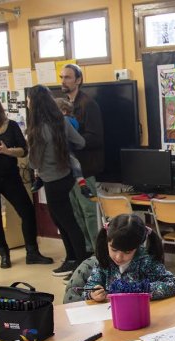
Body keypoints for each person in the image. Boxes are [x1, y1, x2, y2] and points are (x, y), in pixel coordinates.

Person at [0, 91, 53, 269]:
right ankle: (3, 253)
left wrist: (7, 151)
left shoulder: (11, 125)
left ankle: (32, 251)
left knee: (27, 211)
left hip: (10, 176)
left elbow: (23, 150)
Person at [25, 85, 88, 277]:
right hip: (66, 177)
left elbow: (34, 161)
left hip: (52, 180)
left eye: (28, 100)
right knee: (65, 220)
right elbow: (81, 142)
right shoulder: (61, 121)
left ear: (34, 103)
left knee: (65, 222)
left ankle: (79, 263)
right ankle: (72, 259)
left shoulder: (37, 129)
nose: (27, 103)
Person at [83, 213, 175, 302]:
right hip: (112, 314)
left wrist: (140, 289)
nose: (118, 257)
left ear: (137, 247)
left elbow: (173, 285)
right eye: (114, 250)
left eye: (127, 252)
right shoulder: (104, 260)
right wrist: (92, 293)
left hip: (141, 313)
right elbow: (88, 288)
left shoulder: (146, 261)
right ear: (107, 242)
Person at [60, 64, 103, 253]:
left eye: (68, 77)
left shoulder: (88, 104)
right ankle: (85, 255)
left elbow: (96, 137)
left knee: (90, 213)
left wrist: (74, 140)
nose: (63, 81)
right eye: (62, 77)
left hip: (85, 168)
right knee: (75, 213)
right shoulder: (61, 105)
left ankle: (98, 256)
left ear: (78, 80)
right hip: (66, 168)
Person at [29, 98, 92, 199]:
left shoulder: (64, 120)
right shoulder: (68, 120)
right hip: (64, 152)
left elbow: (77, 140)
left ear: (63, 111)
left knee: (74, 165)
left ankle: (83, 185)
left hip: (64, 151)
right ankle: (83, 186)